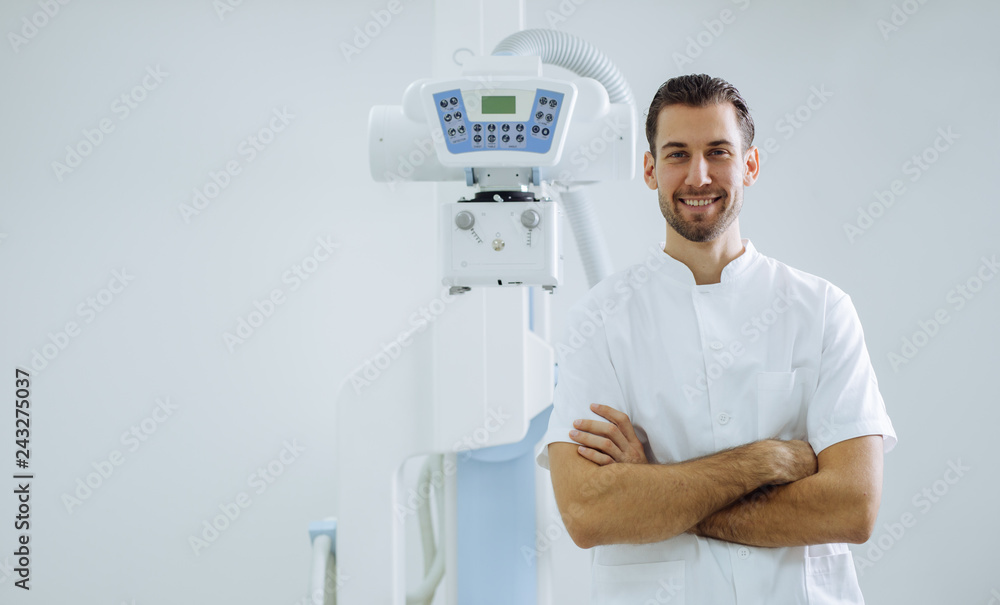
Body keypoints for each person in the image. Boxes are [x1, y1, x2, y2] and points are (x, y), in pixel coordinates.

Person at [535, 74, 897, 605]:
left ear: (749, 165)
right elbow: (590, 513)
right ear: (649, 169)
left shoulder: (821, 310)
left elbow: (852, 506)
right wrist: (766, 461)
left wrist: (657, 490)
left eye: (719, 152)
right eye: (677, 154)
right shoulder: (599, 320)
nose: (698, 175)